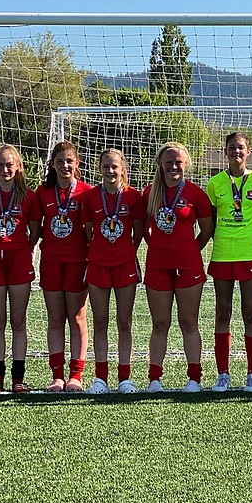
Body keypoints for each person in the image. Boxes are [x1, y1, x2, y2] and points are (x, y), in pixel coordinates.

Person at [142, 142, 214, 393]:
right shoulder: (149, 192)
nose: (174, 166)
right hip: (158, 266)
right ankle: (154, 379)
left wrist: (190, 249)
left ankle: (194, 378)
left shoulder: (196, 194)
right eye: (169, 162)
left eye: (178, 162)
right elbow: (144, 230)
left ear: (186, 164)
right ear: (160, 164)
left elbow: (207, 230)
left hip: (188, 266)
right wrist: (161, 248)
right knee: (160, 323)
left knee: (188, 321)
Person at [204, 132, 252, 393]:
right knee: (223, 312)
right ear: (226, 152)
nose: (236, 152)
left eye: (241, 148)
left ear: (249, 151)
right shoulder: (215, 184)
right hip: (222, 254)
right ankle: (223, 374)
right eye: (232, 148)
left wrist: (250, 242)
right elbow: (209, 222)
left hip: (249, 255)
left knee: (250, 312)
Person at [0, 144, 41, 394]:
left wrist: (22, 247)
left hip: (19, 259)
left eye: (10, 164)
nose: (5, 169)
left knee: (18, 321)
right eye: (0, 164)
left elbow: (35, 231)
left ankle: (18, 378)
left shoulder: (29, 196)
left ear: (19, 167)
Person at [82, 149, 146, 394]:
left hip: (125, 264)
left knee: (124, 322)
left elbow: (138, 231)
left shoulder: (133, 197)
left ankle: (124, 377)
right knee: (99, 320)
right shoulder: (90, 197)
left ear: (123, 169)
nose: (110, 171)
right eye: (106, 166)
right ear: (100, 169)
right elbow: (88, 231)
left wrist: (126, 250)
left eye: (114, 167)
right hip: (98, 264)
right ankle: (100, 377)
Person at [37, 141, 92, 392]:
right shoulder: (42, 193)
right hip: (50, 262)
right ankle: (57, 376)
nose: (65, 166)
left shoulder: (87, 192)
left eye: (69, 161)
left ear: (77, 163)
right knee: (55, 318)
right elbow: (35, 227)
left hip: (78, 262)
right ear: (52, 164)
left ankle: (76, 376)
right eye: (60, 161)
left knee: (77, 317)